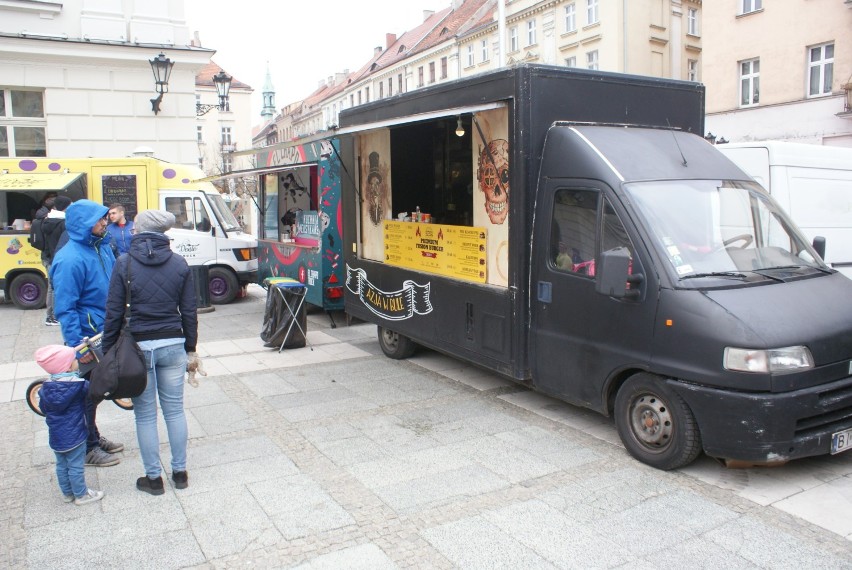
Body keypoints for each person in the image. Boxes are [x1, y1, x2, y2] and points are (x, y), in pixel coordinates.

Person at [102, 209, 200, 495]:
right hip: (172, 345)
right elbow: (189, 311)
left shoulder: (124, 263)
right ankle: (180, 473)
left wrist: (109, 351)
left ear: (140, 231)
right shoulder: (180, 263)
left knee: (144, 415)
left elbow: (113, 312)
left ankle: (153, 478)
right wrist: (190, 347)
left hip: (137, 348)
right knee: (175, 411)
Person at [49, 199, 124, 467]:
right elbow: (65, 309)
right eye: (100, 219)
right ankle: (89, 447)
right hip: (86, 339)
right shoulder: (70, 259)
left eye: (105, 217)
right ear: (83, 224)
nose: (106, 222)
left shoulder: (101, 247)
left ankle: (93, 434)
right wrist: (76, 347)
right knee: (86, 396)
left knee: (97, 392)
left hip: (105, 332)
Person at [34, 344, 105, 506]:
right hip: (76, 434)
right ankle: (81, 495)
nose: (76, 362)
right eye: (73, 360)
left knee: (61, 465)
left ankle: (67, 493)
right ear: (66, 366)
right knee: (76, 465)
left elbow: (44, 408)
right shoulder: (79, 385)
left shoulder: (45, 388)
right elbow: (92, 395)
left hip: (56, 436)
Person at [41, 195, 72, 326]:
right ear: (65, 207)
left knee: (52, 287)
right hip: (58, 258)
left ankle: (51, 315)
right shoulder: (63, 223)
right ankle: (53, 317)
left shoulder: (47, 220)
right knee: (55, 288)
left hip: (48, 256)